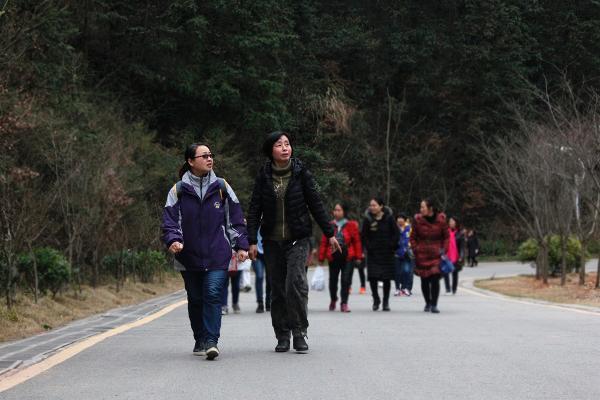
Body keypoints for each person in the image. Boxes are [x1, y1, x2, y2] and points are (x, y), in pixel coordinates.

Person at [247, 131, 341, 353]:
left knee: (294, 284)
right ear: (270, 150)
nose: (285, 148)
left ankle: (299, 331)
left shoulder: (301, 173)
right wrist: (251, 241)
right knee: (278, 289)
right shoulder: (263, 176)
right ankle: (282, 335)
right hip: (271, 241)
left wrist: (330, 233)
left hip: (298, 239)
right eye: (279, 145)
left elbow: (315, 203)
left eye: (287, 144)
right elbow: (254, 209)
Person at [161, 143, 248, 360]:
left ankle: (211, 341)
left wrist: (241, 245)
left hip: (217, 254)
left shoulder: (222, 187)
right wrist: (174, 240)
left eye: (211, 155)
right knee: (195, 298)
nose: (210, 159)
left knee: (212, 294)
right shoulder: (178, 190)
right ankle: (199, 337)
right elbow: (170, 221)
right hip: (188, 257)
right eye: (204, 156)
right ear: (191, 161)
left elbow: (235, 219)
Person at [318, 203, 363, 313]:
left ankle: (344, 303)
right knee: (333, 280)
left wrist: (358, 256)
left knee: (346, 280)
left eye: (339, 210)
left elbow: (357, 241)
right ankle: (333, 299)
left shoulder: (351, 225)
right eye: (335, 210)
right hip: (333, 256)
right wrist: (321, 257)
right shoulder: (329, 225)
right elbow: (324, 242)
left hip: (348, 257)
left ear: (344, 212)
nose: (336, 212)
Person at [410, 199, 449, 314]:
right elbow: (412, 237)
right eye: (420, 207)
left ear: (430, 208)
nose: (421, 209)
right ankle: (427, 302)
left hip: (436, 254)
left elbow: (446, 237)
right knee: (425, 280)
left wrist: (444, 250)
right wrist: (416, 249)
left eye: (423, 207)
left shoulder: (441, 220)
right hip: (422, 254)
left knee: (435, 278)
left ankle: (434, 304)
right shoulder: (417, 221)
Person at [361, 198, 399, 312]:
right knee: (373, 277)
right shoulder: (368, 219)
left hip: (387, 253)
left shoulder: (389, 218)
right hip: (373, 253)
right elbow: (364, 235)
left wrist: (392, 245)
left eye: (374, 205)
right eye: (371, 205)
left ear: (381, 206)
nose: (372, 207)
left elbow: (396, 233)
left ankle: (386, 301)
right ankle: (376, 299)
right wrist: (369, 247)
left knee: (387, 278)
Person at [252, 229, 271, 313]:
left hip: (269, 252)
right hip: (257, 253)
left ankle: (268, 302)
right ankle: (260, 303)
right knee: (259, 276)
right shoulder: (254, 222)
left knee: (270, 278)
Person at [444, 217, 465, 295]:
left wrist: (461, 256)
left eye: (452, 221)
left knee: (454, 273)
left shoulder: (460, 233)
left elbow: (462, 247)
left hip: (456, 256)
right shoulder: (446, 232)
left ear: (456, 223)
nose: (451, 223)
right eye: (450, 221)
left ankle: (454, 289)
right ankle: (448, 289)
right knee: (445, 272)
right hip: (447, 256)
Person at [394, 213, 413, 297]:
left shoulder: (409, 228)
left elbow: (412, 239)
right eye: (398, 218)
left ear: (405, 220)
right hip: (397, 253)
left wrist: (410, 246)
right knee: (397, 272)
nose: (400, 219)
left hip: (406, 254)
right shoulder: (394, 228)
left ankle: (405, 288)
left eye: (401, 218)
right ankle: (397, 289)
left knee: (406, 271)